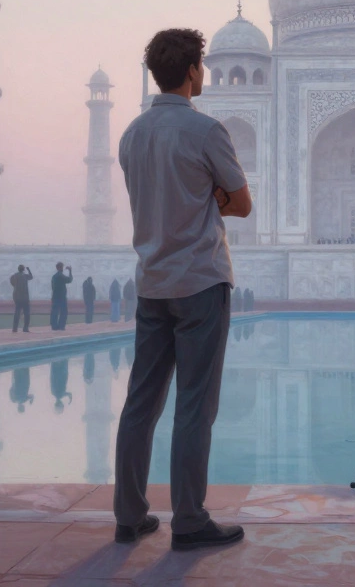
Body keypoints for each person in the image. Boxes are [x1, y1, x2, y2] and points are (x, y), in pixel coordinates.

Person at [114, 28, 251, 551]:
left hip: (152, 283)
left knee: (140, 403)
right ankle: (189, 520)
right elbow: (241, 204)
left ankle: (129, 514)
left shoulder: (131, 133)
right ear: (195, 71)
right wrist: (209, 196)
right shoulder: (205, 131)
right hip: (199, 280)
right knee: (194, 404)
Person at [51, 263, 73, 330]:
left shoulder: (54, 276)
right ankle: (61, 326)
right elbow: (69, 280)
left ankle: (54, 326)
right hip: (61, 297)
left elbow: (52, 287)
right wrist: (70, 271)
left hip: (55, 296)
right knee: (64, 312)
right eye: (62, 267)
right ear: (60, 268)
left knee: (55, 312)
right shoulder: (61, 276)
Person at [11, 265, 33, 333]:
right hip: (25, 298)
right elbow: (31, 277)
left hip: (17, 297)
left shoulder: (15, 275)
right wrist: (29, 270)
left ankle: (15, 328)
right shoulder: (25, 276)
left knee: (17, 313)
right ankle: (25, 328)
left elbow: (12, 283)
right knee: (27, 314)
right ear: (23, 269)